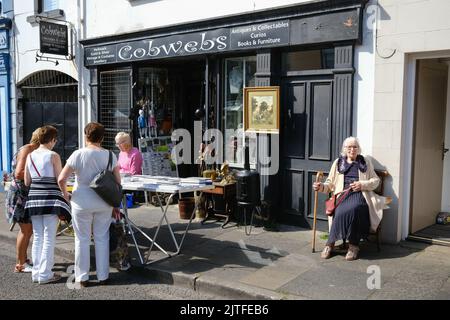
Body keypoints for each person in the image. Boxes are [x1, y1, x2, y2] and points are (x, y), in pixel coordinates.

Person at [58, 122, 121, 287]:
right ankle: (103, 276)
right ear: (102, 137)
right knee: (102, 238)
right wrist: (116, 204)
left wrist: (66, 195)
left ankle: (82, 277)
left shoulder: (77, 154)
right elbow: (117, 182)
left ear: (86, 135)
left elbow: (61, 179)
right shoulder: (110, 155)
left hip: (81, 201)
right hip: (104, 201)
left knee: (82, 239)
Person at [313, 137, 386, 261]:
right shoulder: (338, 163)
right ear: (344, 149)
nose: (352, 149)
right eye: (349, 147)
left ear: (358, 149)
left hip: (360, 195)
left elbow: (376, 181)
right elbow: (330, 184)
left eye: (355, 147)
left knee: (356, 208)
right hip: (342, 195)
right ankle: (330, 244)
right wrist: (320, 187)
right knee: (340, 211)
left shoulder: (365, 162)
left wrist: (362, 184)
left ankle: (353, 246)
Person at [24, 125, 70, 284]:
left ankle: (36, 273)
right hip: (51, 199)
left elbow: (26, 181)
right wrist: (66, 197)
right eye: (55, 140)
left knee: (37, 236)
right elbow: (60, 179)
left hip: (34, 199)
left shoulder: (29, 156)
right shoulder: (53, 155)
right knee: (49, 237)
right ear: (52, 140)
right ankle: (45, 274)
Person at [5, 128, 41, 273]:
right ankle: (20, 264)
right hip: (20, 195)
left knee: (27, 230)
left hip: (23, 195)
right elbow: (19, 173)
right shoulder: (28, 149)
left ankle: (23, 260)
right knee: (26, 230)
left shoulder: (32, 149)